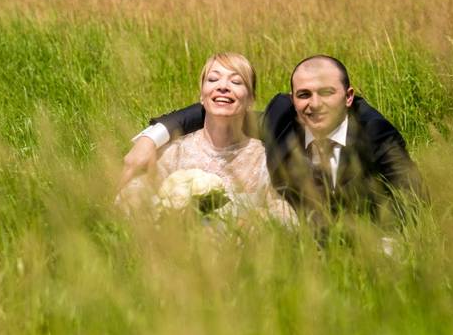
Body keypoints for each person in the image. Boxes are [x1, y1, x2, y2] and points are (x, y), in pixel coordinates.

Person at [123, 55, 426, 227]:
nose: (315, 104)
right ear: (293, 99)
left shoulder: (377, 135)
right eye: (304, 95)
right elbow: (221, 109)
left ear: (348, 97)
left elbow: (414, 203)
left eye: (327, 93)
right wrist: (153, 137)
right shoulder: (281, 119)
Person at [116, 52, 296, 225]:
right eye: (213, 79)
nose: (223, 87)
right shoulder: (174, 151)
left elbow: (288, 215)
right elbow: (128, 199)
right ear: (201, 95)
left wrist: (258, 220)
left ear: (251, 99)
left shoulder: (264, 158)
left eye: (236, 81)